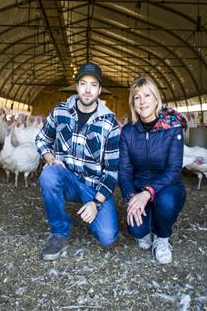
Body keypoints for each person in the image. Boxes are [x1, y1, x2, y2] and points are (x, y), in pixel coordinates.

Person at [35, 62, 121, 261]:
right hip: (68, 180)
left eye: (93, 85)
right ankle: (60, 233)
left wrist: (95, 203)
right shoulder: (60, 111)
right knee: (49, 174)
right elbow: (41, 139)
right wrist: (50, 158)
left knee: (107, 236)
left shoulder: (109, 122)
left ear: (99, 90)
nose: (87, 89)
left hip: (94, 188)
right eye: (83, 83)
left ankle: (92, 210)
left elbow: (112, 171)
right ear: (77, 86)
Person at [118, 76, 187, 264]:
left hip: (167, 186)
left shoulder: (172, 128)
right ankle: (145, 227)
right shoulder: (128, 132)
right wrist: (132, 196)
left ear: (156, 98)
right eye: (137, 97)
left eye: (147, 95)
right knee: (136, 230)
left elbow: (174, 170)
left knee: (165, 203)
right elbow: (123, 171)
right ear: (133, 103)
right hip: (139, 187)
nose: (142, 102)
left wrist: (148, 193)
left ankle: (162, 237)